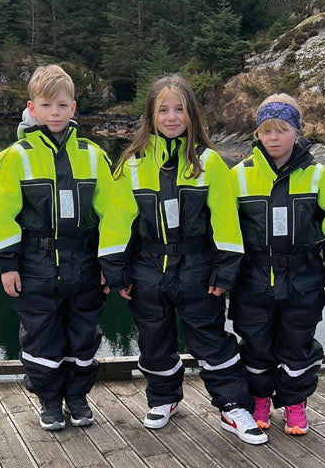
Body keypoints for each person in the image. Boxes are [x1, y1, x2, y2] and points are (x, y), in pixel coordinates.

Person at [98, 75, 268, 445]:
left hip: (198, 271)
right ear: (150, 115)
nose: (172, 117)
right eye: (163, 110)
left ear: (192, 115)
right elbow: (115, 224)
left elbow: (225, 221)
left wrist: (225, 270)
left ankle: (233, 407)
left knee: (212, 342)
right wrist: (116, 272)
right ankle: (164, 399)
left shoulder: (209, 162)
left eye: (179, 109)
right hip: (148, 271)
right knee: (154, 341)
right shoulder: (132, 164)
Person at [0, 65, 113, 431]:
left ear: (74, 108)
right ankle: (50, 401)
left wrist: (111, 264)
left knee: (84, 338)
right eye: (46, 105)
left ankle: (77, 397)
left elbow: (113, 215)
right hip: (35, 267)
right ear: (32, 108)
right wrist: (7, 264)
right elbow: (1, 215)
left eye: (61, 105)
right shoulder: (16, 157)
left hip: (86, 266)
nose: (54, 113)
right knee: (42, 339)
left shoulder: (94, 155)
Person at [229, 93, 325, 435]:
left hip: (304, 281)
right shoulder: (237, 176)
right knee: (255, 345)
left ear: (297, 132)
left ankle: (295, 403)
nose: (273, 138)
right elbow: (224, 231)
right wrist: (221, 276)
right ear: (257, 134)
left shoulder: (318, 176)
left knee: (298, 346)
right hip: (252, 281)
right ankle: (259, 399)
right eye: (266, 131)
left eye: (282, 130)